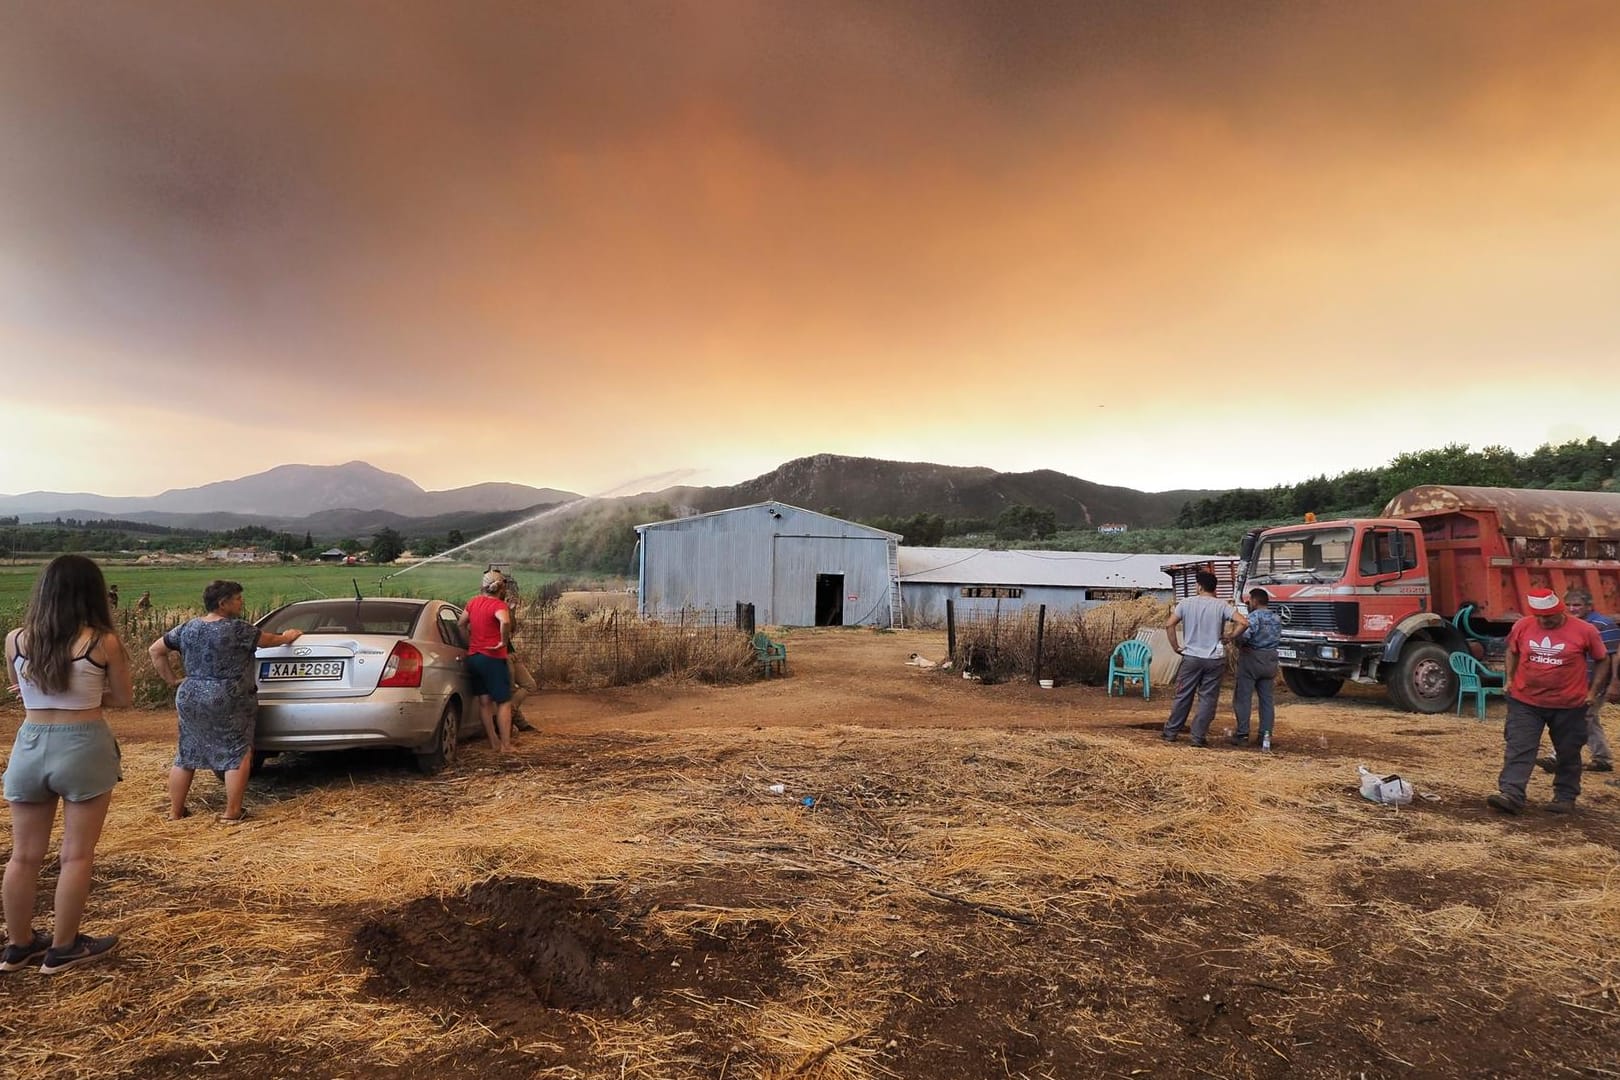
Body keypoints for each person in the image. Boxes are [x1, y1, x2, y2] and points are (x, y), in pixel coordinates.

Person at [2, 554, 132, 974]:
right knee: (76, 856)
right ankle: (63, 948)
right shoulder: (103, 642)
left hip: (30, 743)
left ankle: (18, 946)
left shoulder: (16, 639)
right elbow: (124, 698)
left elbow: (23, 690)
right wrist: (89, 693)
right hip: (83, 744)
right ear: (92, 592)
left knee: (23, 857)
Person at [149, 581, 303, 822]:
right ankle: (232, 812)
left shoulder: (187, 628)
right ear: (223, 603)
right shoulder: (238, 629)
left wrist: (172, 680)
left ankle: (175, 812)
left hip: (190, 693)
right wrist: (288, 636)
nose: (242, 602)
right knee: (238, 751)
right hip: (228, 696)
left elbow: (155, 651)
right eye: (238, 598)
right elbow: (270, 640)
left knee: (186, 753)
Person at [1487, 588, 1609, 815]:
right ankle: (1511, 794)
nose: (1545, 621)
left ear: (1560, 611)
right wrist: (1510, 679)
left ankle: (1565, 796)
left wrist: (1593, 692)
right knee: (1519, 746)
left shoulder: (1585, 630)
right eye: (1540, 617)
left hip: (1569, 704)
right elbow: (1512, 651)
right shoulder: (1523, 626)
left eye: (1549, 616)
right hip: (1525, 700)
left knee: (1568, 751)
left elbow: (1602, 660)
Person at [1161, 569, 1247, 746]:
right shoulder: (1222, 605)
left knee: (1183, 695)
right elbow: (1244, 622)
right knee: (1208, 698)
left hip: (1191, 656)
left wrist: (1176, 647)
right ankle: (1198, 737)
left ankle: (1171, 732)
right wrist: (1230, 637)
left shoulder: (1186, 603)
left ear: (1199, 586)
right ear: (1214, 588)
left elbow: (1169, 625)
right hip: (1214, 658)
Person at [1536, 588, 1617, 774]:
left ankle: (1558, 757)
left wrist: (1613, 683)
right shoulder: (1567, 625)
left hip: (1595, 682)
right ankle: (1602, 758)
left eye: (1577, 605)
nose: (1572, 609)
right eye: (1569, 605)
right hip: (1572, 681)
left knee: (1575, 719)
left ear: (1589, 606)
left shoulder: (1604, 624)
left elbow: (1612, 657)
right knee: (1589, 719)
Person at [459, 569, 515, 753]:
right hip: (492, 658)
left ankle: (493, 742)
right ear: (500, 588)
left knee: (484, 702)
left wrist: (469, 644)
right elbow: (505, 622)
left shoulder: (473, 602)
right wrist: (503, 642)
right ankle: (506, 746)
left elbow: (461, 624)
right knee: (504, 702)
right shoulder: (499, 605)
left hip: (474, 658)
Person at [1231, 588, 1280, 749]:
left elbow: (1244, 637)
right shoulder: (1276, 618)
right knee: (1266, 699)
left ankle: (1242, 734)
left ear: (1255, 601)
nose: (1248, 603)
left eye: (1250, 600)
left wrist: (1234, 639)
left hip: (1252, 659)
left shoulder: (1253, 618)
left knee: (1243, 697)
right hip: (1271, 659)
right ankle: (1265, 735)